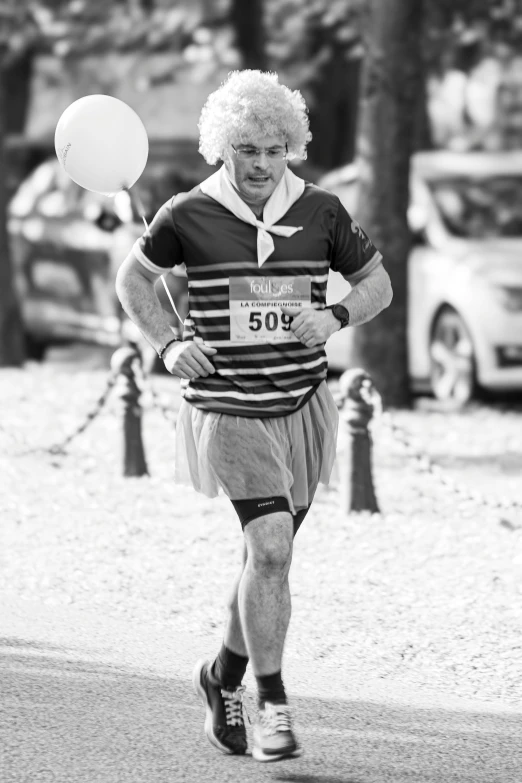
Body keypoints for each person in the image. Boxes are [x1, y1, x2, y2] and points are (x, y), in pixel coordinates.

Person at [116, 69, 392, 763]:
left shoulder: (323, 210)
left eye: (273, 148)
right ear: (221, 147)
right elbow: (134, 279)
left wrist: (333, 314)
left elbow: (377, 285)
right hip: (228, 406)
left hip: (301, 408)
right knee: (271, 547)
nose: (261, 162)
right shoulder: (187, 212)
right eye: (246, 148)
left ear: (291, 146)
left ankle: (221, 676)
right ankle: (272, 704)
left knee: (263, 558)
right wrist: (171, 342)